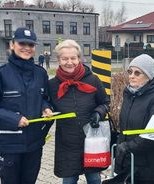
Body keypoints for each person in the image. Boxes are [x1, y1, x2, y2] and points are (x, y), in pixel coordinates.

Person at [0, 27, 53, 184]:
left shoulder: (40, 74)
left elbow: (45, 98)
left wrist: (46, 107)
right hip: (9, 144)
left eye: (31, 45)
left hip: (35, 144)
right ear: (12, 45)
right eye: (22, 43)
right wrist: (13, 118)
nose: (27, 48)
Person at [47, 39, 110, 184]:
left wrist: (98, 113)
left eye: (73, 58)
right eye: (65, 58)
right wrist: (47, 109)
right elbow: (46, 103)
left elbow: (106, 102)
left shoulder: (93, 79)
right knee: (69, 180)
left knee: (94, 179)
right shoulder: (52, 84)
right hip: (67, 143)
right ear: (58, 60)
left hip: (92, 141)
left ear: (79, 58)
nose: (69, 62)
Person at [103, 54, 154, 184]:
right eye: (130, 71)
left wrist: (129, 146)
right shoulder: (129, 93)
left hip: (148, 165)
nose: (131, 76)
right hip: (129, 160)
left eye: (137, 73)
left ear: (148, 76)